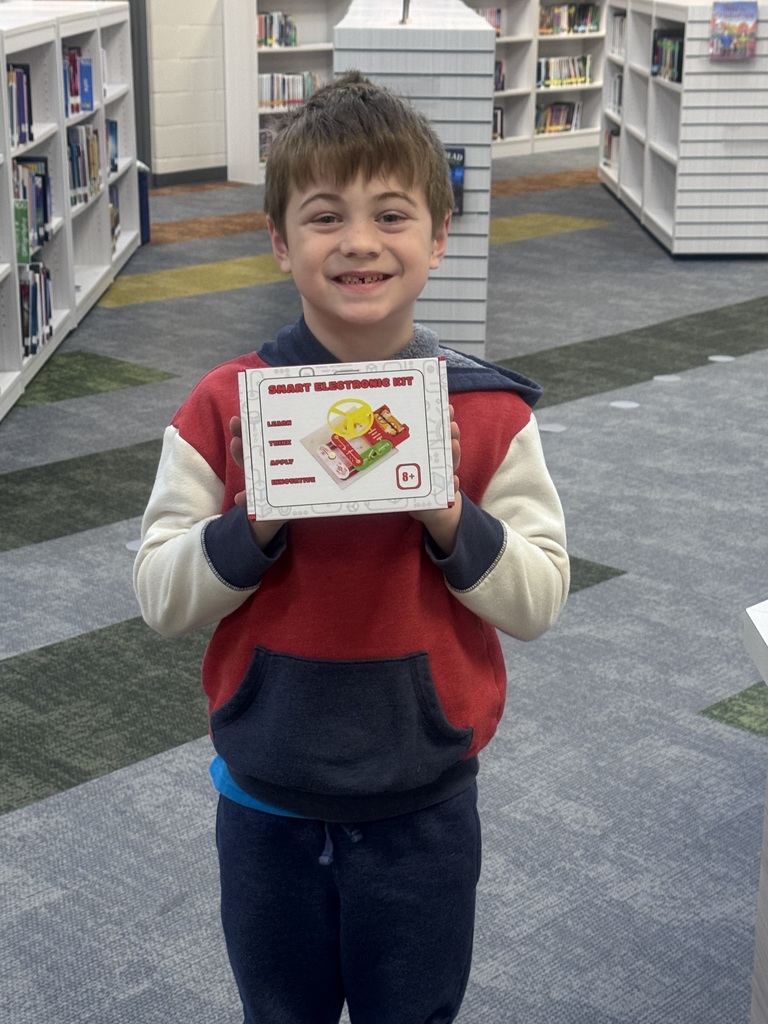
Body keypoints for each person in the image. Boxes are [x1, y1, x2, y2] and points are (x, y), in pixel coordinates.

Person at [134, 70, 569, 1024]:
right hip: (267, 800)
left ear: (439, 238)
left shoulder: (486, 414)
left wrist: (449, 510)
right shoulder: (224, 407)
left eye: (393, 214)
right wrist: (252, 521)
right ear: (281, 243)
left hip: (423, 799)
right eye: (326, 217)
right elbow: (160, 597)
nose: (362, 242)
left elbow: (539, 601)